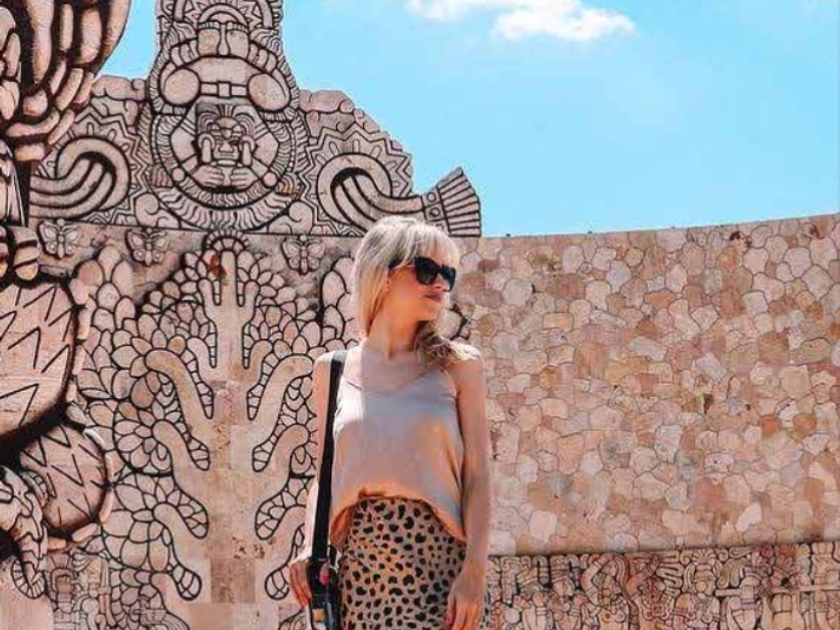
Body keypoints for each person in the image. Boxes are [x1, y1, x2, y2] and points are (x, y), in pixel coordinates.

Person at [289, 216, 493, 630]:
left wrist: (474, 572)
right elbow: (325, 474)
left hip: (441, 572)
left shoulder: (458, 365)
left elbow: (478, 475)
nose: (441, 283)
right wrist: (310, 546)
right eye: (427, 270)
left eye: (448, 274)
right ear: (383, 274)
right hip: (361, 578)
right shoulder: (332, 370)